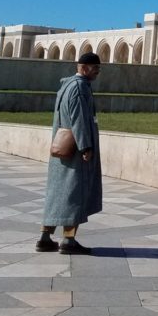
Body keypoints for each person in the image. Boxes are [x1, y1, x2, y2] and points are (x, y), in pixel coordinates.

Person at [36, 52, 103, 255]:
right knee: (75, 194)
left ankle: (45, 238)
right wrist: (86, 147)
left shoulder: (66, 86)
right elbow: (79, 120)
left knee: (57, 195)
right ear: (83, 67)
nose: (98, 72)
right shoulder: (80, 87)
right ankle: (69, 240)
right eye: (95, 68)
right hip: (75, 150)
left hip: (62, 147)